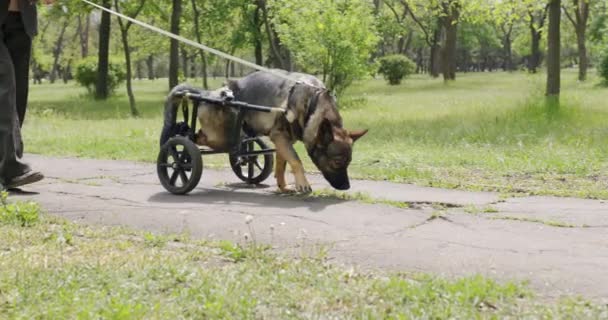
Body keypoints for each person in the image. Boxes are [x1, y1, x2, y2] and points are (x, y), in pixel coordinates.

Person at [0, 0, 52, 191]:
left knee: (17, 97)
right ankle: (10, 168)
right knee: (5, 86)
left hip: (21, 18)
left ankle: (8, 169)